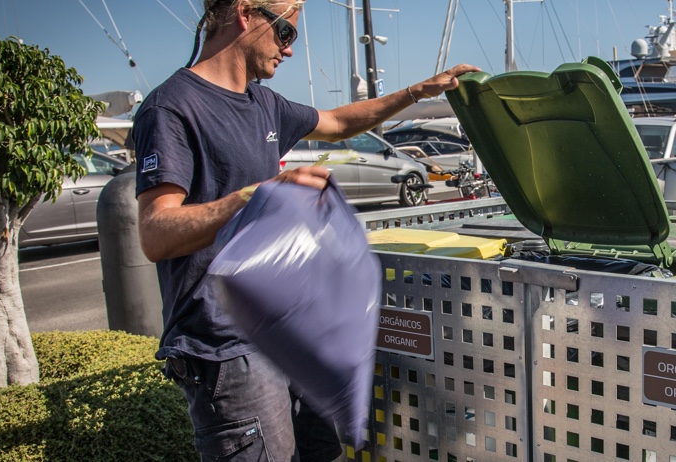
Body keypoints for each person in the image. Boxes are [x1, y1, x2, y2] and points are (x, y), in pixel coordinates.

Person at [131, 0, 479, 460]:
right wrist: (253, 196)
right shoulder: (171, 107)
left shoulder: (264, 103)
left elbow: (336, 122)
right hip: (230, 351)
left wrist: (416, 91)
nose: (289, 51)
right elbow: (155, 233)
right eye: (286, 34)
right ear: (244, 13)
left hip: (291, 335)